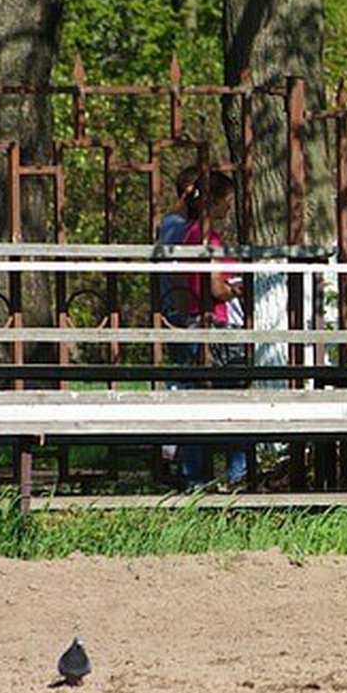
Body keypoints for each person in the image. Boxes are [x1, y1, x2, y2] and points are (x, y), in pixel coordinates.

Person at [182, 171, 248, 490]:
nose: (228, 206)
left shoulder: (188, 233)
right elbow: (216, 287)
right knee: (232, 402)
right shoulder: (208, 238)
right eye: (226, 199)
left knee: (196, 402)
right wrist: (242, 289)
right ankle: (238, 474)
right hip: (214, 324)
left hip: (192, 322)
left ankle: (195, 475)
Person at [156, 166, 202, 477]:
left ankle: (183, 459)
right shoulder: (176, 226)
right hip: (181, 313)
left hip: (181, 311)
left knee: (187, 382)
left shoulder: (175, 224)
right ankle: (179, 459)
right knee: (186, 383)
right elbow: (176, 269)